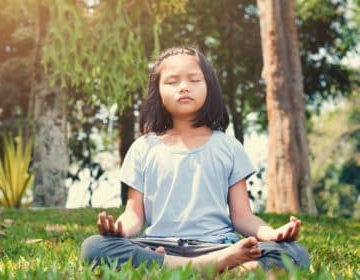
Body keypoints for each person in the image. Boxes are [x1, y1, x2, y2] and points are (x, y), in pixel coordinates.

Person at [80, 47, 310, 273]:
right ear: (157, 93)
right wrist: (120, 230)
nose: (183, 87)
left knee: (295, 252)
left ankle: (171, 271)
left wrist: (271, 234)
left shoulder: (228, 146)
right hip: (160, 246)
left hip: (219, 245)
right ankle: (219, 271)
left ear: (209, 88)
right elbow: (134, 214)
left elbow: (243, 216)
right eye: (172, 82)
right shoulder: (143, 147)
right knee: (94, 247)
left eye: (193, 79)